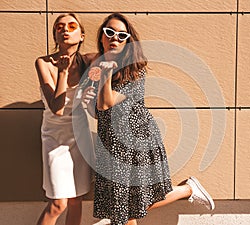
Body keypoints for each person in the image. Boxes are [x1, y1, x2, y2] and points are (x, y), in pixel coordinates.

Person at [84, 12, 215, 225]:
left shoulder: (133, 70)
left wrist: (105, 71)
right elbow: (97, 112)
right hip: (109, 142)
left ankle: (187, 189)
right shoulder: (96, 68)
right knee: (123, 209)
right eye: (109, 32)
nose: (114, 38)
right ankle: (187, 188)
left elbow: (105, 103)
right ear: (101, 37)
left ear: (128, 41)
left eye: (121, 35)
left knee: (126, 207)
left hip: (133, 142)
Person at [35, 13, 97, 225]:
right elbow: (57, 109)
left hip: (80, 137)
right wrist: (62, 72)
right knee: (58, 203)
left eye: (72, 26)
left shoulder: (88, 60)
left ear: (81, 35)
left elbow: (118, 54)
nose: (65, 30)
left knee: (75, 200)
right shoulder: (43, 63)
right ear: (55, 35)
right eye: (59, 27)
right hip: (54, 138)